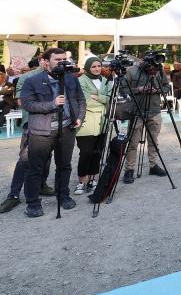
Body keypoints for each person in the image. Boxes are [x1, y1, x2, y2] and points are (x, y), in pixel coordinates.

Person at [20, 48, 86, 217]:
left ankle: (63, 196)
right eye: (57, 59)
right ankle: (33, 203)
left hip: (67, 129)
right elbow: (28, 104)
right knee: (36, 168)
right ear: (46, 61)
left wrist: (79, 117)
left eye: (64, 58)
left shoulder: (71, 78)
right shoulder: (32, 81)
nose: (62, 62)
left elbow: (80, 99)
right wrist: (52, 104)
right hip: (41, 131)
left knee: (64, 165)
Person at [0, 58, 56, 214]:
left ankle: (41, 185)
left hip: (53, 126)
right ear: (44, 61)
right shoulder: (28, 77)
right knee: (25, 159)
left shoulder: (60, 77)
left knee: (46, 157)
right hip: (32, 124)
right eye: (54, 60)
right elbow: (20, 102)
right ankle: (14, 195)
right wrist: (48, 102)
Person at [122, 57, 170, 184]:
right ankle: (129, 169)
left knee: (153, 141)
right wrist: (138, 90)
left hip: (154, 111)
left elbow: (166, 86)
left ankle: (153, 165)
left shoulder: (159, 69)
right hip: (137, 111)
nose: (151, 68)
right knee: (133, 142)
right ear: (142, 60)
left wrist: (157, 90)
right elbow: (122, 89)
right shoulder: (132, 71)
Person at [74, 56, 112, 195]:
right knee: (85, 152)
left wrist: (98, 97)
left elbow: (111, 99)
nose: (97, 69)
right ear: (88, 67)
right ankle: (81, 181)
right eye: (94, 66)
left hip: (102, 121)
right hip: (86, 122)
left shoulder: (106, 81)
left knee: (97, 152)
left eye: (99, 66)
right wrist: (103, 100)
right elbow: (85, 101)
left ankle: (92, 179)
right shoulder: (81, 80)